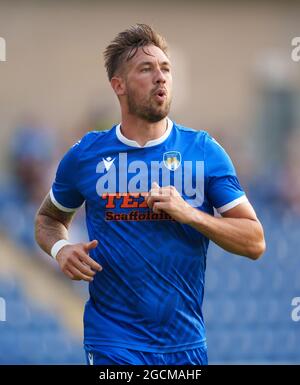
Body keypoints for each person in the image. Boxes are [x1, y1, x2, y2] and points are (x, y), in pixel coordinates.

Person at [34, 24, 266, 365]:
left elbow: (254, 241)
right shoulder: (85, 155)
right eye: (147, 69)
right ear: (119, 86)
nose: (161, 77)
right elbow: (48, 219)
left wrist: (189, 213)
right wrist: (60, 248)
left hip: (185, 346)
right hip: (112, 342)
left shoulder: (203, 151)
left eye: (166, 68)